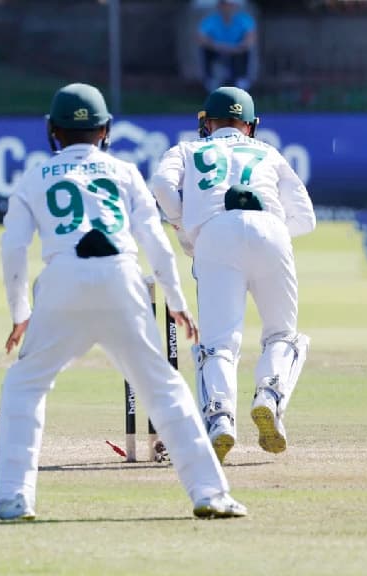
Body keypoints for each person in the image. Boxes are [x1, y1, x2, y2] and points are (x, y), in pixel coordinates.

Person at [0, 83, 246, 521]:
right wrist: (176, 301)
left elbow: (13, 247)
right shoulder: (123, 172)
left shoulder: (33, 177)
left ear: (51, 130)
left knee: (24, 386)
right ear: (105, 130)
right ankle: (210, 493)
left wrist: (19, 313)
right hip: (123, 279)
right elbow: (156, 242)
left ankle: (13, 499)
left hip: (62, 279)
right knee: (164, 389)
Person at [149, 86, 315, 464]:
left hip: (213, 235)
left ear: (206, 123)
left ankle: (220, 419)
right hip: (272, 230)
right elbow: (306, 218)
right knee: (282, 334)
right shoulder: (268, 152)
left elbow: (160, 185)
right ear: (251, 126)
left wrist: (183, 226)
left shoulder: (187, 150)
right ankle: (268, 397)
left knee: (220, 343)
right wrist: (268, 234)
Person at [198, 0, 256, 93]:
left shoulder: (244, 19)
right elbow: (201, 38)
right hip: (216, 49)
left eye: (230, 5)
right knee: (205, 50)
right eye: (224, 5)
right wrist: (217, 46)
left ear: (235, 6)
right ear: (219, 6)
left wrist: (238, 47)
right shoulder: (211, 20)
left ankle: (241, 79)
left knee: (245, 52)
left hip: (237, 50)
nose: (227, 8)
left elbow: (250, 39)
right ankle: (210, 79)